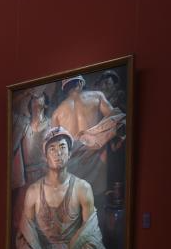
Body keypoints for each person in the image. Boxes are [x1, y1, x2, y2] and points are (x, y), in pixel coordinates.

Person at [16, 127, 108, 249]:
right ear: (45, 156)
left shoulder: (82, 189)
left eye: (62, 147)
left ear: (70, 153)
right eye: (52, 148)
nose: (58, 153)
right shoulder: (33, 192)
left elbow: (92, 233)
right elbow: (24, 235)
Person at [50, 75, 125, 208]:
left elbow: (54, 149)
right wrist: (98, 139)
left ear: (65, 89)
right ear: (80, 83)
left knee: (76, 207)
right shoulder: (97, 96)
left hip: (73, 168)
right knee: (97, 206)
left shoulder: (56, 113)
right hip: (98, 163)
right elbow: (118, 121)